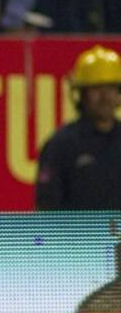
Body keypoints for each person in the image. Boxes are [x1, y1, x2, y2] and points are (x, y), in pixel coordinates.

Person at [36, 45, 121, 210]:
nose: (105, 97)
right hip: (78, 235)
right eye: (96, 89)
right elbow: (46, 206)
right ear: (81, 94)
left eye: (111, 88)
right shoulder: (61, 145)